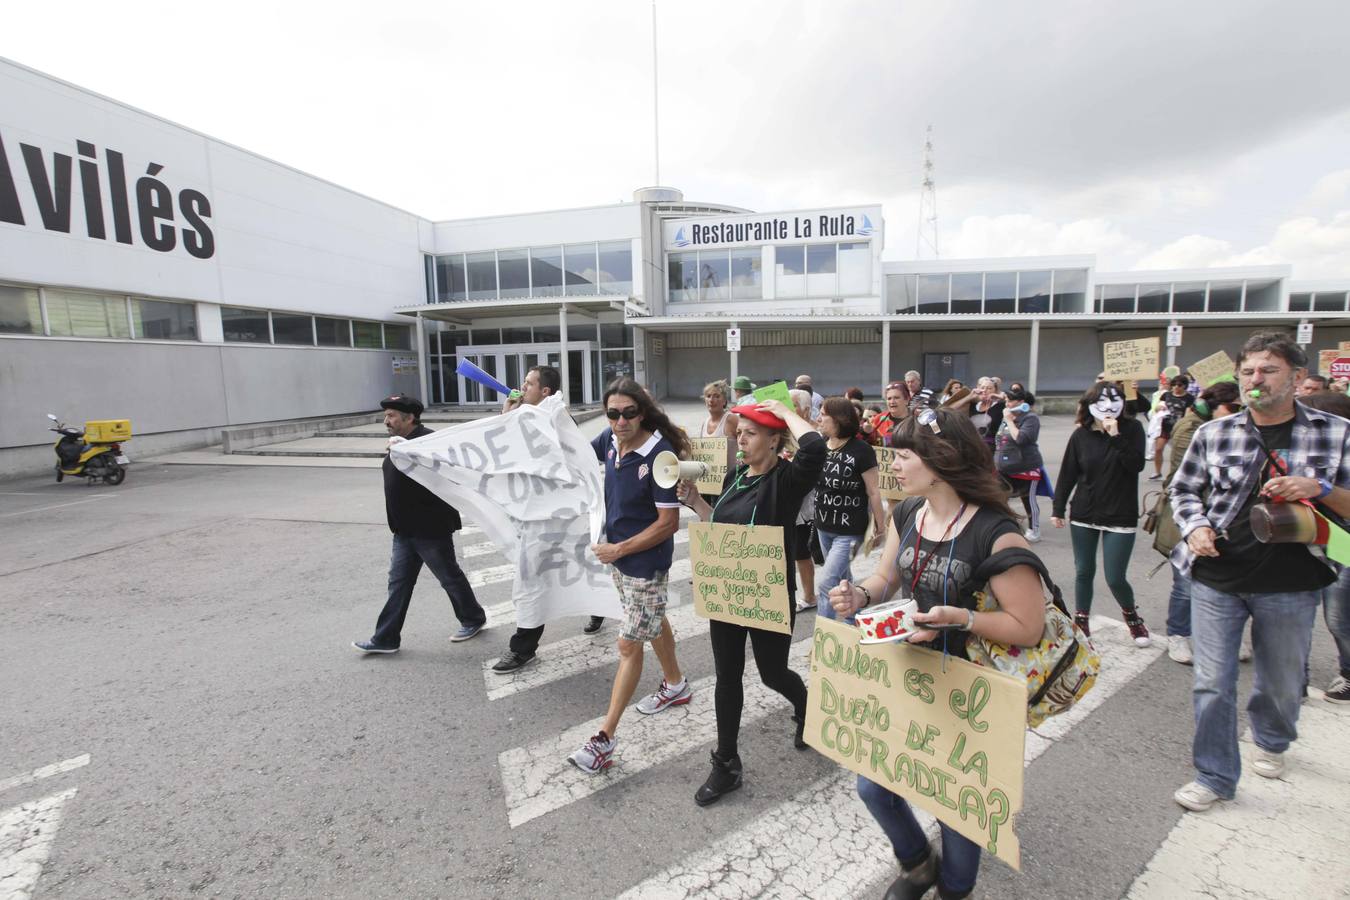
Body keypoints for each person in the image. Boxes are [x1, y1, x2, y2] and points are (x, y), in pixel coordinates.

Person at [828, 407, 1045, 900]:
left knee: (955, 804)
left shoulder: (994, 531)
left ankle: (954, 887)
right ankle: (917, 864)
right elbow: (886, 578)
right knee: (874, 785)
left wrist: (960, 618)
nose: (894, 465)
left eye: (903, 456)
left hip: (971, 686)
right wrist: (859, 595)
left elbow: (1027, 625)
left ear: (940, 460)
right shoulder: (909, 511)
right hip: (911, 671)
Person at [1169, 332, 1350, 812]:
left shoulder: (1336, 432)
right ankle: (1214, 775)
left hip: (1293, 581)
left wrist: (1320, 487)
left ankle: (1271, 738)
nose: (1255, 379)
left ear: (1294, 376)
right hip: (1217, 577)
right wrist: (1196, 527)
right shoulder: (1214, 432)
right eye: (1247, 371)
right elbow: (1183, 491)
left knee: (1281, 681)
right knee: (1211, 682)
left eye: (1268, 370)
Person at [676, 397, 823, 806]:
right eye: (739, 432)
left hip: (768, 595)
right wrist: (697, 504)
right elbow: (719, 527)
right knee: (727, 676)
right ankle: (726, 763)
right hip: (728, 593)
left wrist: (783, 410)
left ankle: (806, 705)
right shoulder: (734, 478)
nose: (740, 439)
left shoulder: (788, 480)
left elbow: (815, 448)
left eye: (751, 433)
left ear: (775, 440)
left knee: (773, 674)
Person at [568, 379, 693, 774]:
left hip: (644, 563)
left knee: (627, 645)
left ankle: (604, 739)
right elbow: (570, 457)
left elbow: (668, 523)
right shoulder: (608, 439)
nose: (620, 421)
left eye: (628, 413)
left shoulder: (661, 456)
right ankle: (675, 684)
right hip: (619, 561)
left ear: (643, 412)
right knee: (651, 621)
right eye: (612, 413)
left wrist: (619, 549)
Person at [354, 393, 487, 654]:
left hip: (429, 528)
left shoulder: (429, 442)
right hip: (404, 529)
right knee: (398, 583)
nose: (386, 421)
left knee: (449, 577)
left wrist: (406, 451)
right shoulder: (399, 443)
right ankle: (386, 638)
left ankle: (472, 618)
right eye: (386, 416)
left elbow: (447, 473)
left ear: (410, 417)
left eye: (391, 416)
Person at [492, 367, 601, 673]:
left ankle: (524, 647)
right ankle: (595, 604)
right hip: (532, 516)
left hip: (559, 517)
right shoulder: (524, 418)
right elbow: (505, 455)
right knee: (544, 574)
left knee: (544, 575)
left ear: (545, 393)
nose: (521, 387)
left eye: (528, 383)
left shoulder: (558, 420)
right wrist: (507, 417)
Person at [1051, 380, 1152, 645]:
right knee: (1084, 570)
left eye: (1115, 399)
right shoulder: (1080, 435)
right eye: (1102, 401)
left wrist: (1115, 436)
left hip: (1121, 515)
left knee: (1115, 576)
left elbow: (1136, 465)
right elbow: (1068, 474)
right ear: (1089, 404)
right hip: (1084, 513)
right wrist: (1058, 508)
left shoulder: (1133, 429)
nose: (1109, 406)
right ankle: (1081, 620)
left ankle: (1133, 618)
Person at [1160, 380, 1244, 666]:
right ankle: (1178, 634)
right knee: (1185, 581)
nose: (1238, 412)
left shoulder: (1241, 429)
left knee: (1228, 582)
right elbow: (1184, 481)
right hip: (1193, 516)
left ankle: (1226, 634)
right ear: (1212, 406)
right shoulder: (1194, 429)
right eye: (1231, 407)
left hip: (1227, 519)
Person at [1296, 389, 1350, 703]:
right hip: (1312, 542)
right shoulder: (1307, 451)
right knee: (1295, 612)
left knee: (1339, 616)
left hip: (1344, 546)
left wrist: (1321, 488)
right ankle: (1294, 678)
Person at [813, 398, 886, 620]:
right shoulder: (821, 446)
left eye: (823, 414)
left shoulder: (861, 450)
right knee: (843, 580)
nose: (819, 418)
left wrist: (880, 527)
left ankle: (822, 638)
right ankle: (855, 622)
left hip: (850, 531)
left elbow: (873, 491)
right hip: (823, 527)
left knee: (827, 583)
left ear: (839, 419)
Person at [995, 387, 1046, 542]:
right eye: (1006, 401)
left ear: (1021, 403)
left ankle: (1034, 529)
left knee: (1028, 500)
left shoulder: (1030, 418)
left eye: (1011, 401)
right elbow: (1000, 438)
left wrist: (1010, 421)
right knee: (999, 498)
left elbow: (1021, 439)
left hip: (1025, 467)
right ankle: (1003, 528)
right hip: (1004, 467)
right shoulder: (1007, 416)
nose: (1007, 404)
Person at [787, 389, 819, 612]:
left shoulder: (815, 434)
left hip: (807, 505)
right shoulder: (783, 432)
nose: (787, 409)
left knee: (801, 553)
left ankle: (809, 596)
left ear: (806, 410)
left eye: (792, 405)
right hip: (785, 500)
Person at [1151, 375, 1196, 480]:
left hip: (1179, 427)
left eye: (1179, 385)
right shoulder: (1166, 395)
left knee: (1177, 452)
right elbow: (1157, 408)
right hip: (1164, 425)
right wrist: (1159, 408)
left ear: (1184, 386)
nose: (1176, 387)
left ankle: (1177, 473)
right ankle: (1157, 472)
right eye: (1174, 384)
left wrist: (1185, 424)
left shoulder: (1189, 398)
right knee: (1158, 449)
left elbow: (1188, 414)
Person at [699, 379, 739, 494]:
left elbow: (746, 441)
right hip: (711, 483)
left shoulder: (731, 419)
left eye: (717, 396)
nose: (712, 400)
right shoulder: (704, 423)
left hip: (731, 483)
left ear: (725, 401)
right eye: (708, 396)